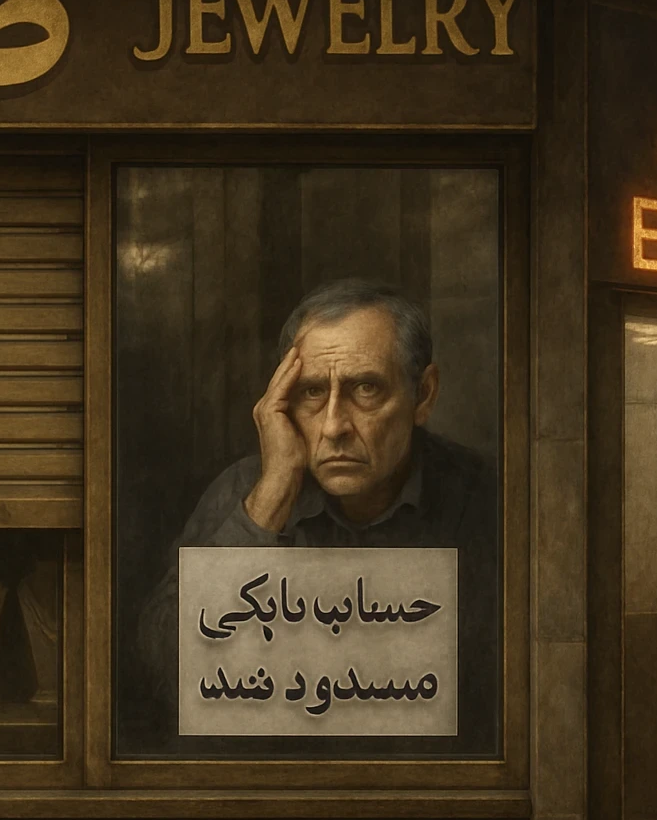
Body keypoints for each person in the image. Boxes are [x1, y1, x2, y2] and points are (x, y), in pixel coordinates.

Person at [134, 278, 498, 751]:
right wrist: (273, 495)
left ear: (423, 394)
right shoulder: (247, 490)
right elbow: (165, 671)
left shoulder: (488, 499)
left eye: (365, 388)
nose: (333, 426)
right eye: (310, 392)